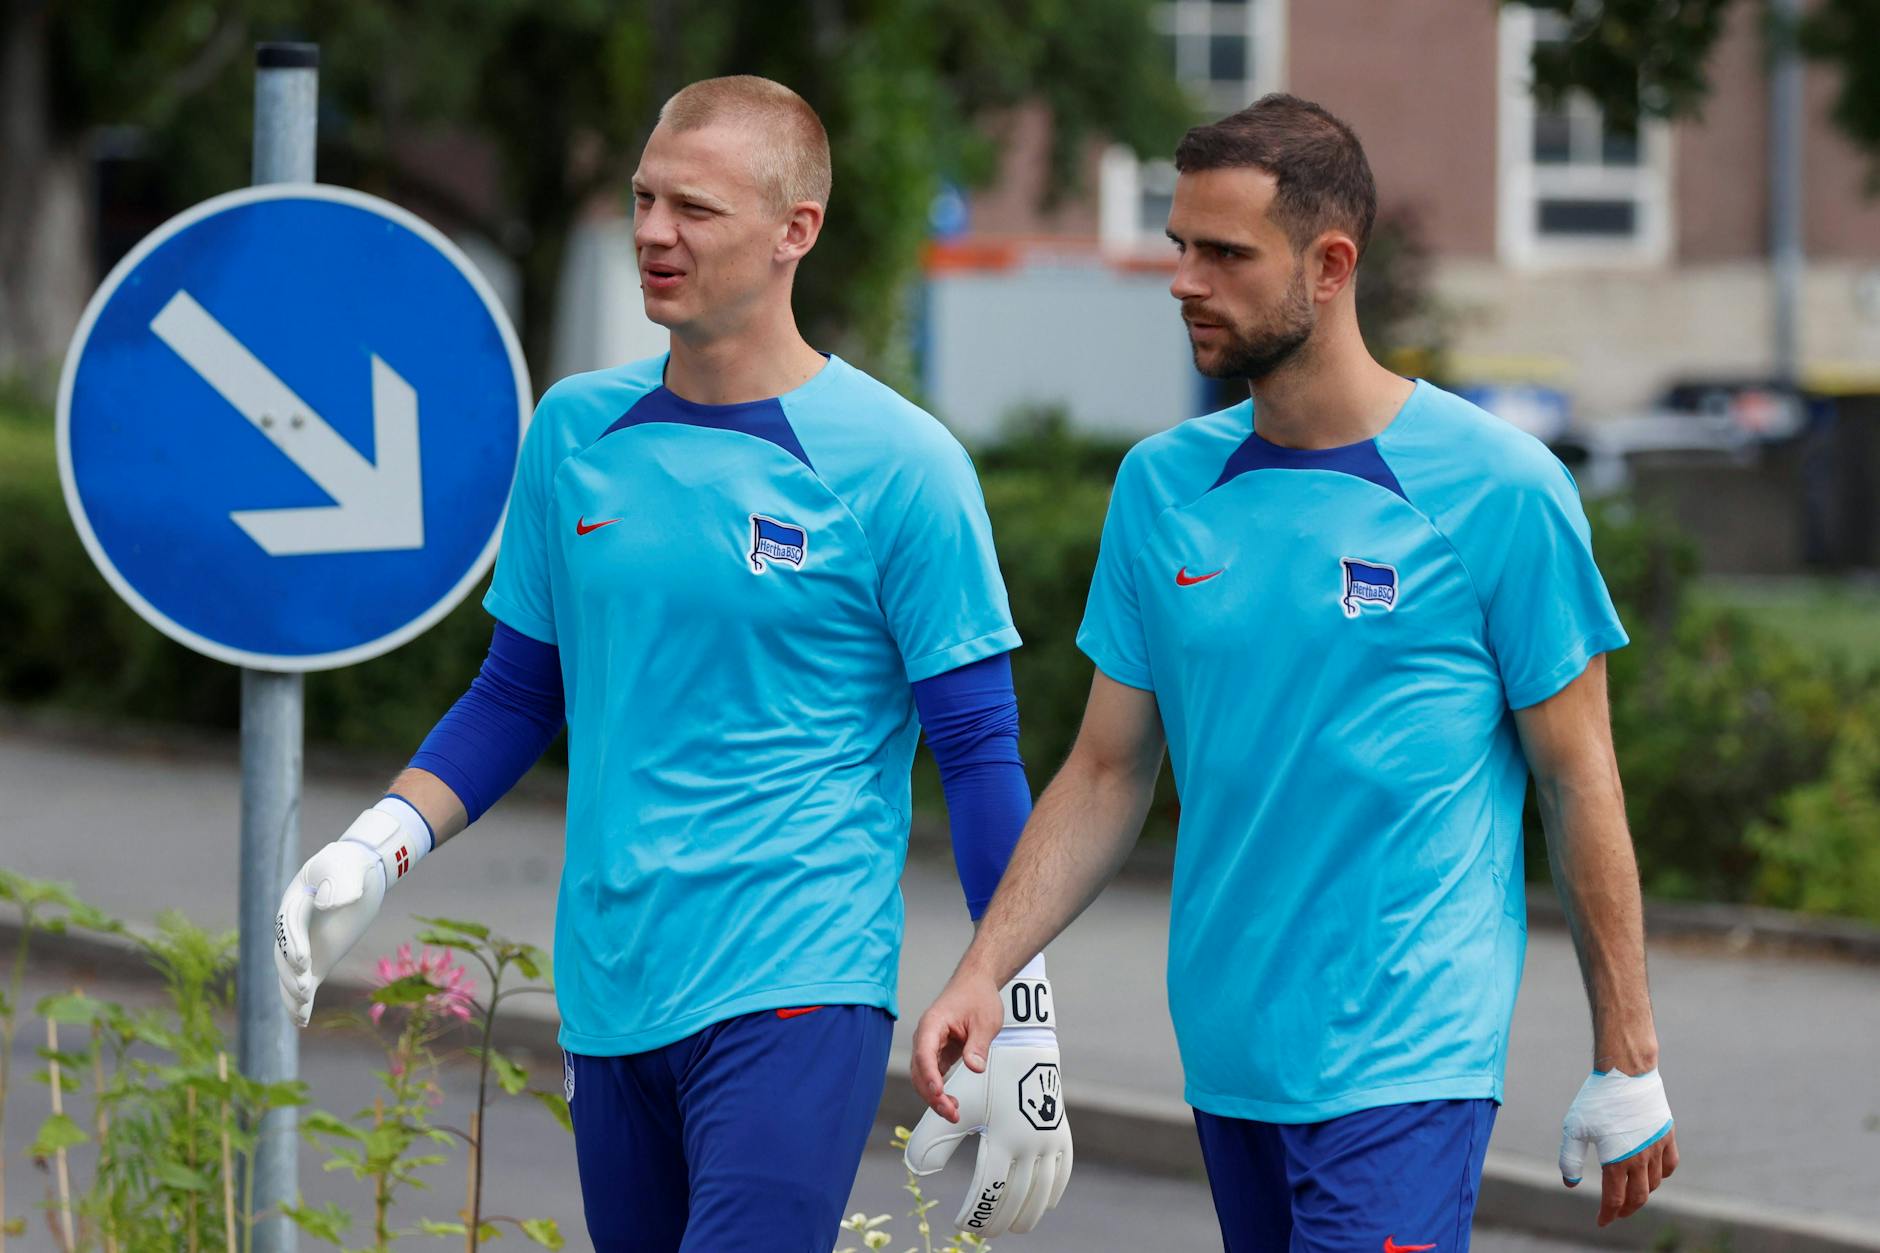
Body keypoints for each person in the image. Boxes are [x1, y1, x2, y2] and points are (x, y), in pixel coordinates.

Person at [272, 75, 1070, 1252]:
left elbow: (979, 751)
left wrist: (1024, 1010)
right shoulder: (573, 432)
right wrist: (374, 845)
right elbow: (516, 692)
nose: (653, 231)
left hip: (796, 978)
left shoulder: (902, 464)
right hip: (610, 986)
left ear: (794, 230)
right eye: (644, 198)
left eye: (694, 208)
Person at [910, 93, 1679, 1251]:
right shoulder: (1160, 487)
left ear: (1328, 265)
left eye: (1224, 254)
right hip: (1229, 1058)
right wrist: (987, 973)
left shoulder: (1499, 489)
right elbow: (1107, 770)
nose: (1183, 280)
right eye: (1178, 246)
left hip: (1406, 1056)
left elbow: (1578, 777)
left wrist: (1627, 1051)